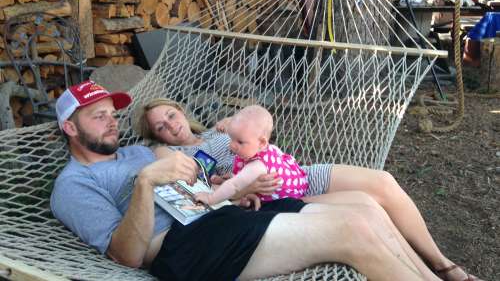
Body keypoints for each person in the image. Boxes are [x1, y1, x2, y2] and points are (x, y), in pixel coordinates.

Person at [50, 80, 445, 281]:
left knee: (366, 207)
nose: (111, 120)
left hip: (224, 215)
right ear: (69, 127)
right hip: (183, 247)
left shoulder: (137, 151)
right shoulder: (73, 185)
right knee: (353, 229)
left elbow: (196, 178)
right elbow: (125, 256)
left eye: (110, 112)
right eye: (97, 115)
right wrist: (144, 184)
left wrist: (230, 191)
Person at [135, 97, 484, 281]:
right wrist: (236, 190)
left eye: (170, 115)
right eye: (160, 127)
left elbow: (260, 129)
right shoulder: (180, 154)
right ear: (156, 137)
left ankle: (440, 263)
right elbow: (191, 182)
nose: (169, 125)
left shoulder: (220, 129)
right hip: (275, 197)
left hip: (296, 173)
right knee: (364, 206)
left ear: (180, 110)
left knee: (384, 182)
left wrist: (231, 125)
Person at [195, 105, 308, 205]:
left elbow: (234, 186)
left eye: (240, 142)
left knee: (237, 188)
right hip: (296, 179)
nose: (232, 146)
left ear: (262, 143)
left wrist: (210, 198)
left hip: (288, 199)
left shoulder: (257, 165)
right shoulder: (261, 148)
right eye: (232, 139)